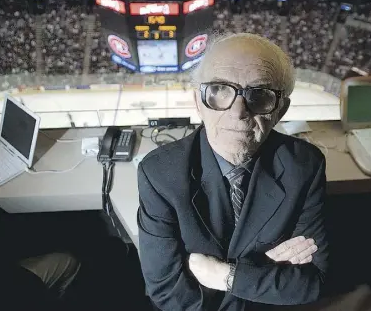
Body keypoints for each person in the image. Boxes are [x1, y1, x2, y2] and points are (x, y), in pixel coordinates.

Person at [137, 33, 329, 310]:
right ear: (198, 102)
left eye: (260, 95)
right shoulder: (159, 174)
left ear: (280, 110)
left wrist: (224, 275)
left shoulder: (305, 166)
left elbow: (312, 282)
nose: (238, 112)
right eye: (219, 90)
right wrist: (263, 268)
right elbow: (167, 291)